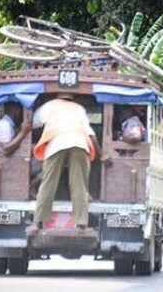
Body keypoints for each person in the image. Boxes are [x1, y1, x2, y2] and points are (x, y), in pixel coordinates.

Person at [25, 94, 109, 235]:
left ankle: (37, 224)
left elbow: (31, 124)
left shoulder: (49, 105)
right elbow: (90, 134)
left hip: (56, 144)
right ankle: (81, 225)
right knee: (79, 184)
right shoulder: (79, 108)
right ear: (71, 99)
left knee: (48, 183)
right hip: (80, 143)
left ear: (58, 97)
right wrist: (101, 155)